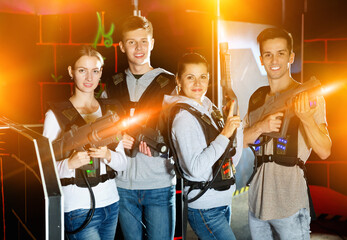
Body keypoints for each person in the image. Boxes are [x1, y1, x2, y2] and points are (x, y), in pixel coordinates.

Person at [243, 28, 332, 239]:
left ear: (291, 57)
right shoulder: (257, 98)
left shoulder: (308, 96)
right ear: (261, 59)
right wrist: (261, 127)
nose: (274, 60)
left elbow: (325, 151)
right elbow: (240, 141)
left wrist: (307, 118)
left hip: (290, 204)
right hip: (257, 203)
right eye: (268, 54)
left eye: (281, 53)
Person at [43, 46, 128, 240]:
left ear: (100, 74)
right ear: (71, 72)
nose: (89, 78)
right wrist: (69, 164)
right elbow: (43, 170)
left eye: (95, 71)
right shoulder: (55, 116)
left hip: (111, 203)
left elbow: (123, 163)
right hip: (77, 208)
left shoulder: (109, 112)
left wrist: (108, 155)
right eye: (82, 70)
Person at [103, 16, 176, 240]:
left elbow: (182, 133)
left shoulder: (171, 83)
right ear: (122, 46)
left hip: (159, 184)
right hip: (122, 186)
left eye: (144, 41)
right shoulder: (112, 85)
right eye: (132, 42)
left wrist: (163, 146)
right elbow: (99, 130)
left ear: (152, 43)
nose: (139, 48)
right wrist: (116, 138)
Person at [163, 53, 243, 240]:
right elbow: (195, 169)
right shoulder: (184, 117)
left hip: (222, 201)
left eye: (203, 77)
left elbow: (230, 160)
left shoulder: (208, 107)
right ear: (178, 80)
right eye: (190, 77)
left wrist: (236, 126)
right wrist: (225, 133)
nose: (197, 83)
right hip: (205, 207)